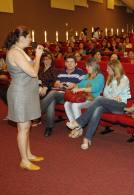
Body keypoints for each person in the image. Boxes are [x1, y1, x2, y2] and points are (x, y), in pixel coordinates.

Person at [5, 26, 45, 171]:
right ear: (21, 38)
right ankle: (24, 161)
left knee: (27, 126)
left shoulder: (20, 51)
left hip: (26, 92)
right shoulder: (15, 53)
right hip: (20, 93)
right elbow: (33, 72)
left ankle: (28, 154)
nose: (31, 39)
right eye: (29, 37)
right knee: (22, 128)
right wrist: (38, 56)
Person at [66, 61, 131, 150]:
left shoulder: (124, 79)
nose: (107, 70)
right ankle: (87, 138)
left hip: (120, 106)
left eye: (109, 69)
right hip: (109, 103)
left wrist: (113, 93)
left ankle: (79, 122)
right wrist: (112, 96)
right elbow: (105, 94)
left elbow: (116, 93)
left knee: (99, 98)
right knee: (98, 109)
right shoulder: (110, 78)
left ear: (115, 69)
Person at [41, 55, 85, 137]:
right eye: (67, 62)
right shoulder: (62, 72)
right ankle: (49, 127)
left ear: (76, 64)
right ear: (65, 63)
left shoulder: (80, 72)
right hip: (59, 94)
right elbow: (55, 83)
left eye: (72, 62)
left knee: (53, 93)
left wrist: (74, 85)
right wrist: (58, 84)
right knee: (52, 100)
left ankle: (37, 113)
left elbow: (83, 85)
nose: (70, 64)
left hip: (71, 96)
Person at [64, 58, 105, 138]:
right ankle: (75, 126)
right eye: (86, 66)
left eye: (88, 66)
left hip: (93, 99)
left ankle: (79, 129)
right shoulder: (86, 76)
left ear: (94, 66)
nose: (86, 68)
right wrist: (75, 86)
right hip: (83, 97)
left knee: (75, 105)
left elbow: (95, 88)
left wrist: (81, 89)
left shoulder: (100, 76)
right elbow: (79, 85)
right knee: (67, 104)